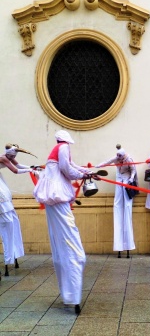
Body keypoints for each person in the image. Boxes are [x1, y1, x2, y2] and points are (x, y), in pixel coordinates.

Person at [33, 130, 94, 314]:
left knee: (63, 247)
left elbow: (71, 165)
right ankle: (72, 295)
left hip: (55, 199)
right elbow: (67, 169)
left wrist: (86, 171)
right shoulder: (63, 147)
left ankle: (70, 295)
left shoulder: (59, 148)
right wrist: (83, 175)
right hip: (58, 198)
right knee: (75, 252)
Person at [0, 143, 36, 278]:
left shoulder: (10, 157)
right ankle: (9, 257)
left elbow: (19, 166)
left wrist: (33, 167)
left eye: (14, 156)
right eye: (11, 156)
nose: (12, 158)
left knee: (10, 211)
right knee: (4, 200)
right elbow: (15, 171)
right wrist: (31, 171)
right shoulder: (4, 158)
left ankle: (13, 255)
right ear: (7, 153)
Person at [96, 144, 137, 258]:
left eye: (120, 156)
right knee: (117, 204)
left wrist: (131, 178)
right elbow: (108, 161)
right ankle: (119, 245)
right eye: (117, 155)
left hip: (127, 179)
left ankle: (128, 244)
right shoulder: (116, 158)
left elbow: (133, 170)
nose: (118, 157)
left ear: (123, 155)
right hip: (119, 179)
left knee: (127, 206)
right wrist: (99, 166)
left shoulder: (128, 159)